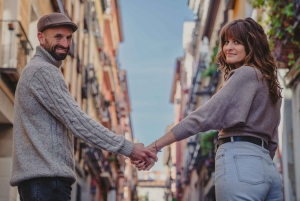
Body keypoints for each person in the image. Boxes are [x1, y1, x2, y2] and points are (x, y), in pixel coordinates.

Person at [11, 13, 157, 200]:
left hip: (44, 181)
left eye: (68, 38)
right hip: (46, 182)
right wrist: (129, 148)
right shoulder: (42, 71)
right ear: (40, 37)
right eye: (58, 37)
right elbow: (77, 121)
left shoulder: (44, 70)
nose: (65, 43)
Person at [133, 18, 283, 201]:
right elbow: (273, 140)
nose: (228, 47)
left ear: (251, 44)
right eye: (226, 42)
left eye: (237, 42)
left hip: (240, 162)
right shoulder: (271, 87)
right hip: (268, 170)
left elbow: (202, 117)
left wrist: (155, 146)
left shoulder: (245, 74)